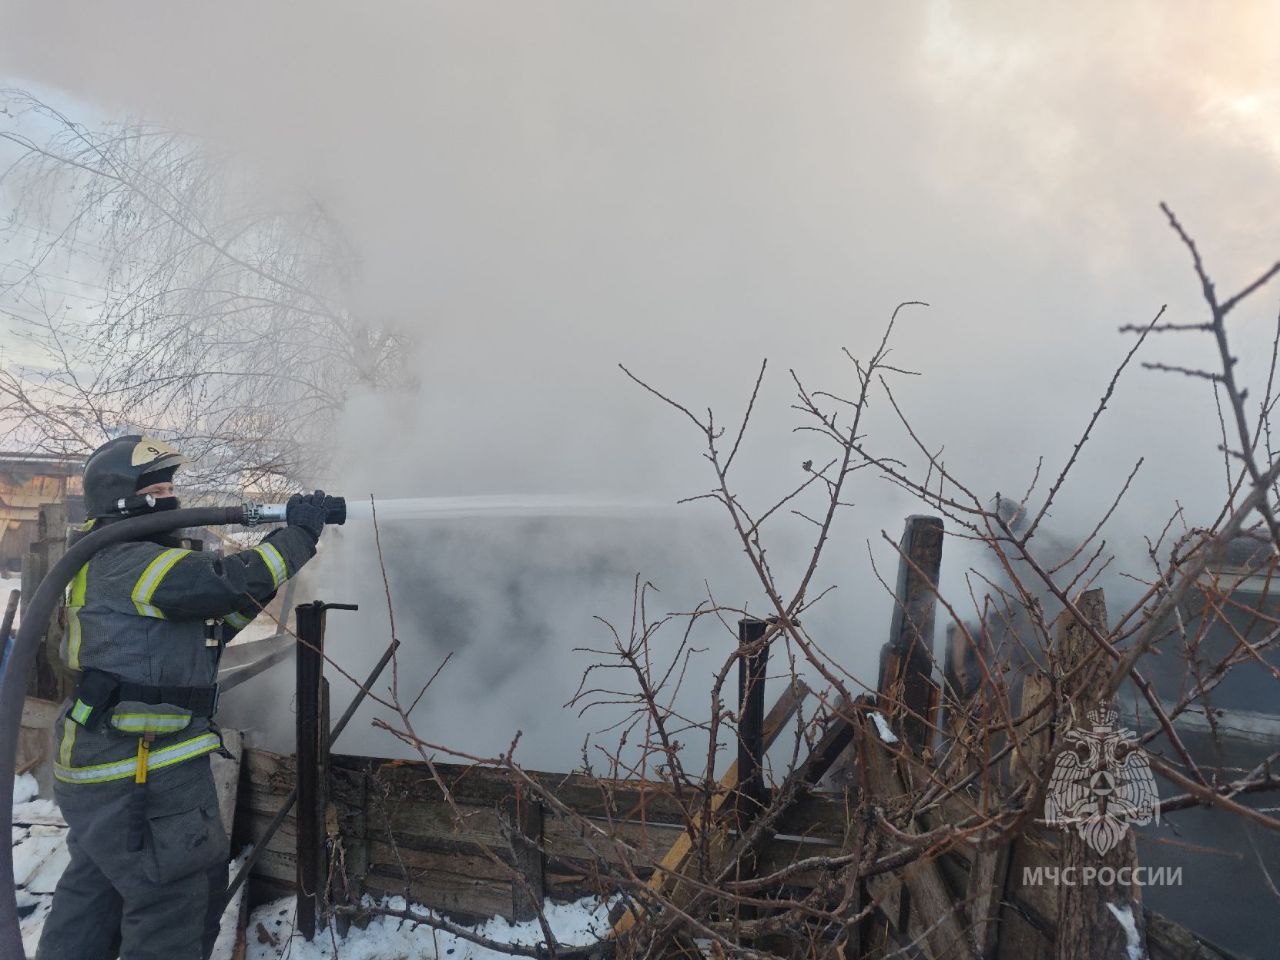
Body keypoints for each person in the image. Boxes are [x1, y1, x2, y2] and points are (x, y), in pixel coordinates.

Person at [36, 435, 329, 960]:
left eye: (172, 487)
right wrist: (299, 535)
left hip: (110, 771)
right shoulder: (128, 561)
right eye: (158, 491)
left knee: (97, 897)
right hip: (140, 774)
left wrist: (276, 555)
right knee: (176, 903)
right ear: (124, 502)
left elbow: (216, 617)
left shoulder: (121, 563)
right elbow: (223, 584)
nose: (172, 499)